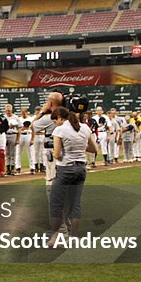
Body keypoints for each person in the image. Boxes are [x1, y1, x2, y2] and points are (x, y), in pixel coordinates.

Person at [47, 106, 99, 247]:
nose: (55, 123)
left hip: (65, 168)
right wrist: (79, 147)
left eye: (55, 120)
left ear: (60, 118)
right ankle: (74, 238)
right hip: (81, 168)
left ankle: (55, 237)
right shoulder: (84, 127)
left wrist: (53, 152)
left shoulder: (60, 129)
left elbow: (57, 154)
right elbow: (94, 149)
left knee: (56, 203)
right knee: (74, 203)